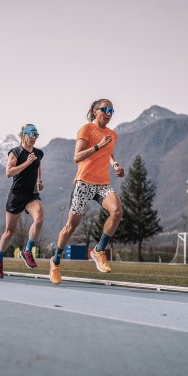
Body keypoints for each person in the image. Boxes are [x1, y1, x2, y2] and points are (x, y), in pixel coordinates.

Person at [49, 99, 125, 285]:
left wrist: (114, 164)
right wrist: (98, 145)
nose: (108, 113)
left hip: (102, 184)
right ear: (94, 110)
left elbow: (108, 152)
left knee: (117, 212)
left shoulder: (112, 134)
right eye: (105, 110)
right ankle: (56, 261)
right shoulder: (86, 130)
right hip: (84, 183)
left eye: (111, 111)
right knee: (70, 227)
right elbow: (77, 157)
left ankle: (98, 251)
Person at [0, 124, 44, 279]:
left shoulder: (38, 153)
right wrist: (26, 163)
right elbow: (9, 173)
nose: (34, 137)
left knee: (39, 219)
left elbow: (38, 165)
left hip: (31, 195)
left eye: (37, 135)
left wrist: (39, 180)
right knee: (9, 232)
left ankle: (27, 250)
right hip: (16, 195)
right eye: (31, 134)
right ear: (23, 135)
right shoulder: (15, 152)